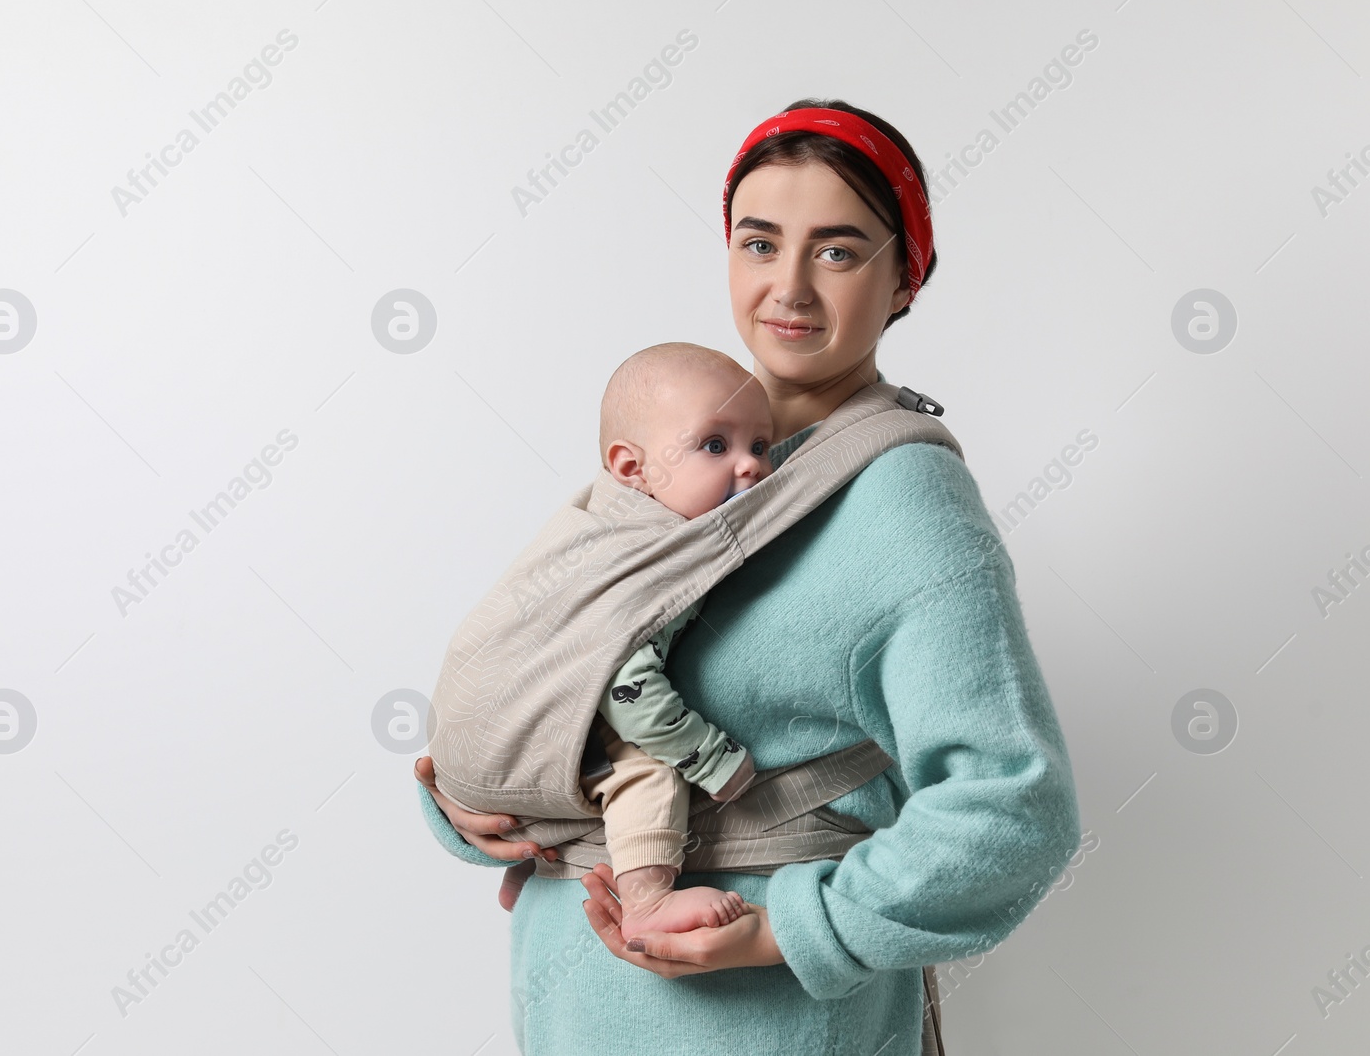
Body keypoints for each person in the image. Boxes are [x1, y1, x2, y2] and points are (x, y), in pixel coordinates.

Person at [414, 98, 1082, 1055]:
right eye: (760, 243)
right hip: (573, 1005)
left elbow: (1014, 803)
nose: (791, 288)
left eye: (840, 251)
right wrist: (467, 798)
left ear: (906, 280)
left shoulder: (906, 500)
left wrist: (789, 930)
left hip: (763, 1026)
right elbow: (555, 664)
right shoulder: (678, 452)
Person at [482, 341, 770, 942]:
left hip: (495, 735)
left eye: (761, 447)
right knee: (644, 767)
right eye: (715, 446)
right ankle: (646, 898)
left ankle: (545, 861)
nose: (750, 467)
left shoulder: (604, 518)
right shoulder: (646, 557)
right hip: (501, 736)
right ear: (632, 468)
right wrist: (712, 758)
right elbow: (626, 687)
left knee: (592, 755)